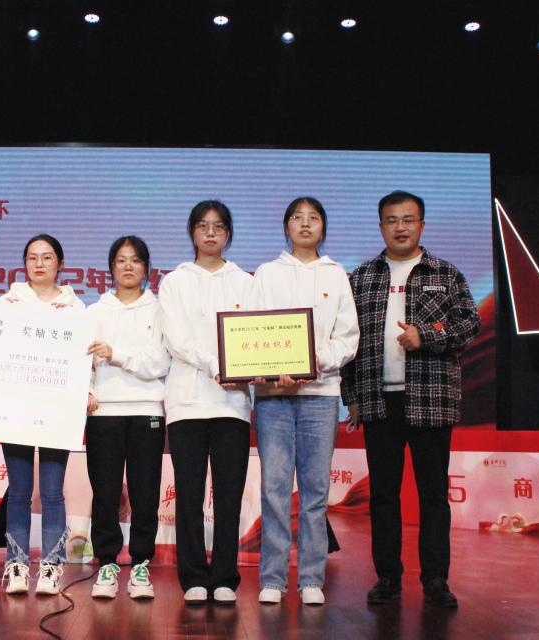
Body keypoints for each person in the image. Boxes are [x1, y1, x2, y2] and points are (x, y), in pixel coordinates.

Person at [340, 190, 480, 609]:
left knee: (433, 495)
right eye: (391, 220)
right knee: (383, 495)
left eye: (408, 219)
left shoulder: (445, 273)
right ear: (380, 226)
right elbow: (347, 342)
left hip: (430, 399)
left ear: (421, 224)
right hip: (378, 400)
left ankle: (435, 579)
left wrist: (428, 335)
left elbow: (469, 323)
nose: (400, 227)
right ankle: (387, 577)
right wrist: (351, 396)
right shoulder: (360, 277)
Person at [250, 197, 360, 606]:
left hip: (321, 394)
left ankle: (311, 578)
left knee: (315, 491)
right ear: (287, 227)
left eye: (313, 218)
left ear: (323, 228)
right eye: (297, 218)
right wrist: (269, 367)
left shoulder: (335, 274)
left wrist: (316, 361)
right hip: (274, 396)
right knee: (275, 489)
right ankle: (273, 579)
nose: (305, 224)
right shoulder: (267, 273)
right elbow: (253, 329)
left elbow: (347, 337)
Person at [158, 200, 253, 605]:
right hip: (186, 403)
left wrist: (242, 367)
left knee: (229, 496)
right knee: (190, 495)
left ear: (228, 233)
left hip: (232, 403)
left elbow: (255, 335)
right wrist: (218, 364)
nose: (210, 233)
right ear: (192, 232)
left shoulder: (246, 282)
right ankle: (194, 575)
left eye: (218, 226)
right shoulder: (175, 282)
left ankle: (226, 576)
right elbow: (177, 340)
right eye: (203, 226)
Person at [84, 236, 171, 600]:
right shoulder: (94, 312)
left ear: (146, 267)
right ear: (111, 267)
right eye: (121, 260)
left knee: (145, 492)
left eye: (135, 260)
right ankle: (106, 563)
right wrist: (87, 391)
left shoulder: (160, 310)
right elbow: (82, 362)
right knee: (105, 492)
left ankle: (140, 564)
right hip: (104, 413)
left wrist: (116, 354)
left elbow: (160, 362)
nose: (128, 266)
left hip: (147, 411)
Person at [0, 234, 85, 596]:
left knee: (51, 493)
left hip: (56, 408)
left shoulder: (75, 308)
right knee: (19, 492)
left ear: (60, 264)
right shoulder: (8, 303)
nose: (39, 264)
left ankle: (52, 565)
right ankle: (17, 565)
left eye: (47, 257)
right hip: (16, 406)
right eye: (32, 257)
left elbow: (84, 358)